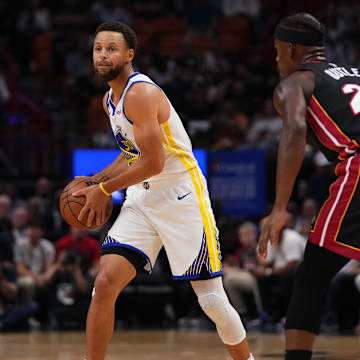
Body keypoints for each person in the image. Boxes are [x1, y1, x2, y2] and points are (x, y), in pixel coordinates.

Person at [72, 21, 254, 360]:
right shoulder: (108, 100)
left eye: (111, 48)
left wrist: (105, 189)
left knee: (211, 300)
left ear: (129, 54)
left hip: (181, 196)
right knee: (105, 283)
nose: (102, 55)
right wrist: (96, 181)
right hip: (143, 197)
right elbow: (132, 154)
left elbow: (154, 162)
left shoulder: (140, 93)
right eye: (98, 48)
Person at [258, 12, 360, 360]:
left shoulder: (296, 83)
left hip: (358, 165)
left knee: (313, 273)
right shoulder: (353, 73)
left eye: (276, 51)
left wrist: (280, 207)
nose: (275, 59)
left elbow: (295, 131)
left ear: (291, 48)